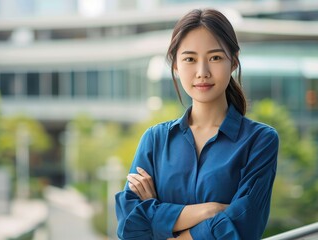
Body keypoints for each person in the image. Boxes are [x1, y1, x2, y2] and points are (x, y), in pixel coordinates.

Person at [115, 8, 279, 240]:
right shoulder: (155, 139)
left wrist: (158, 214)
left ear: (233, 61)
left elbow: (243, 226)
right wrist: (209, 211)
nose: (202, 72)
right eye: (190, 59)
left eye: (215, 58)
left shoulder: (260, 140)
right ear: (175, 65)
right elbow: (129, 227)